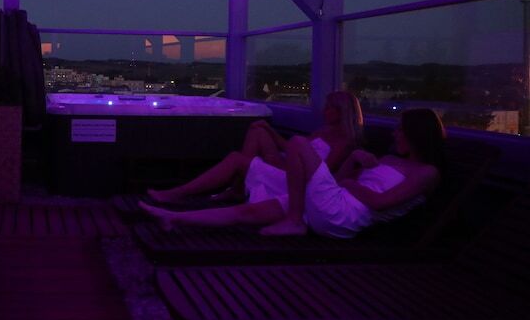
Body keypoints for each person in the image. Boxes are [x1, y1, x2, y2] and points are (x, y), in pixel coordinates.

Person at [139, 108, 445, 239]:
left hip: (343, 216)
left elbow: (379, 203)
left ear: (417, 135)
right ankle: (173, 217)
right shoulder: (390, 158)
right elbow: (341, 180)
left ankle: (294, 221)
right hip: (332, 200)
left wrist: (352, 183)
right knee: (246, 213)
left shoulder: (427, 173)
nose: (395, 135)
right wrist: (354, 160)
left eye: (401, 130)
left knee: (298, 142)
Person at [147, 91, 363, 205]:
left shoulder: (345, 142)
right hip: (290, 166)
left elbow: (321, 174)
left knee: (236, 158)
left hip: (297, 180)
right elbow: (294, 148)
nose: (324, 111)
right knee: (257, 129)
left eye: (330, 108)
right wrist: (270, 132)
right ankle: (238, 188)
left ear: (342, 112)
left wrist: (285, 160)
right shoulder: (324, 131)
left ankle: (178, 193)